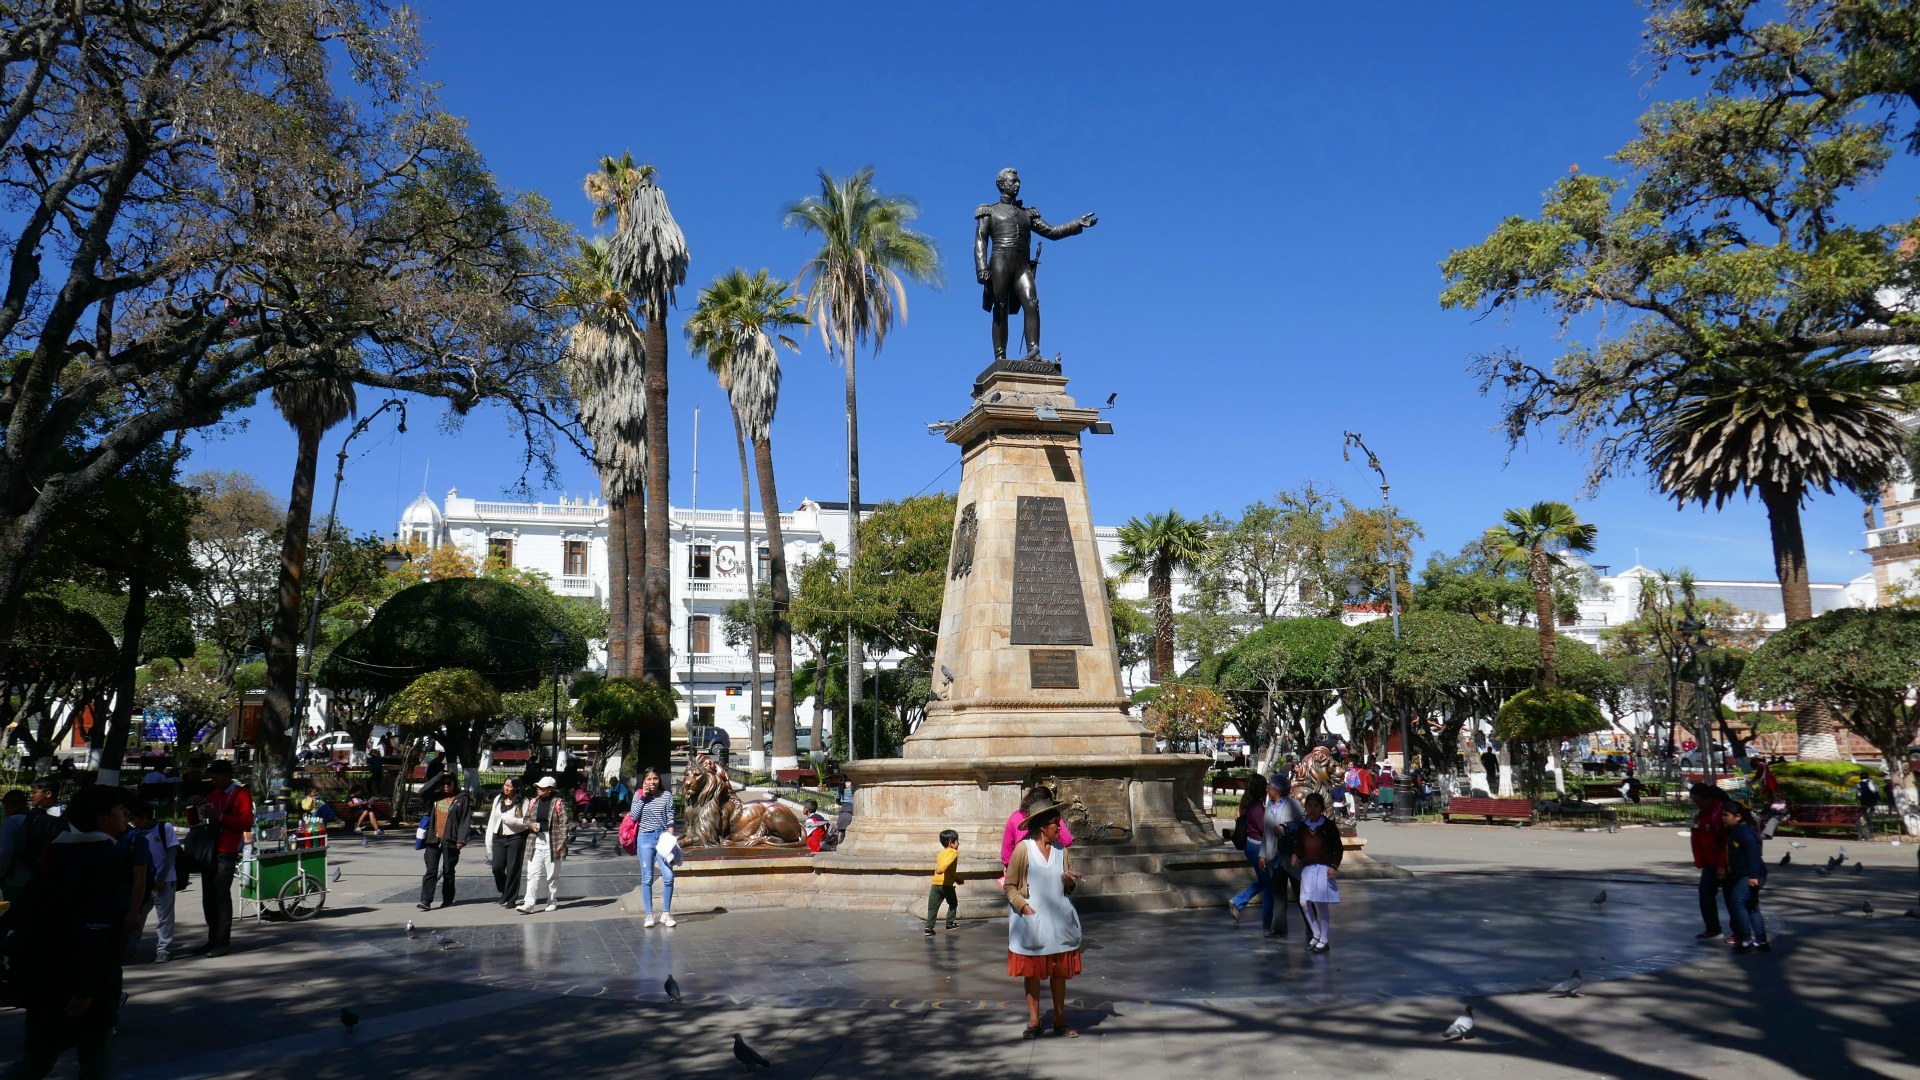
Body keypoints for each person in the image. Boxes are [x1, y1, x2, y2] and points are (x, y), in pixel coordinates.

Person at [0, 785, 133, 1080]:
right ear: (102, 818)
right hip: (87, 982)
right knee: (95, 1061)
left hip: (44, 975)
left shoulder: (55, 851)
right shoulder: (107, 858)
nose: (124, 814)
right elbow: (97, 926)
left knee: (37, 1058)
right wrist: (86, 988)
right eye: (118, 809)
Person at [973, 167, 1097, 361]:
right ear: (1001, 184)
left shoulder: (1027, 214)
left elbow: (1052, 232)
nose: (1017, 184)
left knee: (1032, 303)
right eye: (1012, 181)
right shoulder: (989, 211)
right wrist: (981, 268)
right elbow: (981, 240)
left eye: (1018, 181)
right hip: (1000, 263)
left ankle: (1033, 351)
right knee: (1001, 307)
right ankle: (1000, 357)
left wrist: (1076, 224)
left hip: (1022, 266)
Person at [1003, 798, 1083, 1039]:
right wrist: (1025, 908)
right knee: (1033, 973)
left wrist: (1070, 882)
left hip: (1059, 921)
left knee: (1059, 974)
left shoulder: (1062, 850)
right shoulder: (1023, 850)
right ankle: (1034, 1021)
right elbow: (1010, 886)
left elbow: (1068, 888)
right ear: (1042, 827)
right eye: (1056, 824)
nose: (1060, 828)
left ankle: (1060, 1020)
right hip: (1033, 920)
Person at [187, 759, 252, 957]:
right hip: (210, 851)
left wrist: (220, 818)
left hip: (226, 851)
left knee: (221, 897)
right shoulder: (213, 795)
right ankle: (212, 939)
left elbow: (247, 822)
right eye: (212, 778)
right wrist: (192, 805)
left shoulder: (242, 794)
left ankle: (222, 942)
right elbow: (194, 820)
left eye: (216, 778)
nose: (213, 782)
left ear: (227, 776)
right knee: (209, 898)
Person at [126, 801, 177, 964]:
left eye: (135, 818)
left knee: (165, 917)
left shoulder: (164, 828)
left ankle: (163, 949)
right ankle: (129, 949)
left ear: (145, 817)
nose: (133, 822)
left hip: (165, 880)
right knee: (137, 916)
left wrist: (161, 877)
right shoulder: (135, 833)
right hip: (144, 882)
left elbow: (171, 854)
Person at [1292, 792, 1342, 953]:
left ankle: (1324, 939)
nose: (1312, 809)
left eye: (1315, 806)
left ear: (1321, 808)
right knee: (1304, 902)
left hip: (1323, 869)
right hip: (1308, 869)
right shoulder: (1303, 826)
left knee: (1322, 904)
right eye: (1309, 806)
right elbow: (1299, 845)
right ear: (1305, 808)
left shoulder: (1328, 826)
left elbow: (1338, 849)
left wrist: (1333, 866)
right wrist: (1295, 854)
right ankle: (1316, 934)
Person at [1258, 773, 1305, 938]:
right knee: (1278, 895)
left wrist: (1285, 828)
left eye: (1270, 786)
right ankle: (1278, 928)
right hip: (1274, 857)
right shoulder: (1269, 806)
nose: (1268, 789)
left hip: (1290, 856)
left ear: (1277, 788)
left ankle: (1311, 926)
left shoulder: (1293, 804)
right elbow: (1266, 832)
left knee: (1301, 894)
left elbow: (1302, 824)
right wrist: (1263, 854)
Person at [1720, 799, 1770, 953]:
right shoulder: (1735, 831)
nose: (1723, 818)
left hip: (1749, 875)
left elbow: (1754, 855)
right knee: (1752, 906)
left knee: (1737, 904)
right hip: (1745, 875)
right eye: (1722, 815)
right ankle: (1761, 942)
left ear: (1737, 817)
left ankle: (1745, 940)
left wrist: (1753, 876)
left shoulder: (1744, 832)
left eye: (1726, 815)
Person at [623, 770, 673, 926]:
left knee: (669, 876)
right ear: (644, 781)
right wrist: (643, 797)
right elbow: (634, 816)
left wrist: (670, 839)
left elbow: (670, 819)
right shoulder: (639, 796)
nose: (652, 782)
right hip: (645, 838)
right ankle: (649, 915)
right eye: (649, 779)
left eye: (655, 778)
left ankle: (666, 913)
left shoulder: (666, 796)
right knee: (647, 878)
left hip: (662, 838)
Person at [516, 776, 570, 914]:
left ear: (550, 790)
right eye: (538, 787)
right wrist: (530, 824)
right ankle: (529, 903)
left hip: (552, 840)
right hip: (536, 840)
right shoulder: (534, 802)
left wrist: (562, 841)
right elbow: (526, 818)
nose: (538, 789)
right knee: (532, 873)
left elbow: (564, 823)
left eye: (542, 787)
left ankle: (552, 901)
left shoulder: (557, 803)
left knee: (551, 875)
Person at [1689, 783, 1734, 943]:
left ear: (1709, 798)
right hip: (1709, 862)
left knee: (1731, 897)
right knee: (1705, 894)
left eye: (1699, 801)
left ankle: (1738, 930)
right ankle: (1713, 929)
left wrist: (1722, 864)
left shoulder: (1719, 813)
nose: (1696, 804)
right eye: (1694, 801)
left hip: (1725, 863)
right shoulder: (1704, 812)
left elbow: (1725, 842)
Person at [416, 775, 469, 912]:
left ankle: (448, 898)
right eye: (443, 784)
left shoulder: (462, 798)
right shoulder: (435, 797)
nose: (446, 786)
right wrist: (438, 777)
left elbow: (464, 820)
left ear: (454, 784)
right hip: (433, 839)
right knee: (431, 871)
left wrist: (461, 839)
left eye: (448, 783)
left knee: (448, 871)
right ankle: (426, 900)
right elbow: (422, 792)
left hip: (451, 841)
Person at [999, 786, 1075, 872]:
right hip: (1041, 864)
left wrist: (1009, 865)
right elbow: (1067, 840)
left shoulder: (1014, 817)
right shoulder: (1050, 819)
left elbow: (1007, 851)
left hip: (1020, 866)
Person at [1226, 775, 1268, 924]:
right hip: (1257, 847)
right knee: (1268, 883)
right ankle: (1268, 920)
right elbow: (1264, 829)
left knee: (1265, 881)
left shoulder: (1249, 804)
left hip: (1251, 846)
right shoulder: (1256, 808)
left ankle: (1239, 902)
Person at [484, 777, 529, 908]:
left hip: (516, 837)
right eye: (505, 785)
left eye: (510, 786)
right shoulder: (499, 799)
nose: (507, 788)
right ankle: (505, 890)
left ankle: (511, 898)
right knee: (496, 867)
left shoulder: (523, 801)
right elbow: (492, 820)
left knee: (513, 868)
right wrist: (489, 844)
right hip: (498, 837)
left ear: (516, 787)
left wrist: (510, 820)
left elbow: (525, 822)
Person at [926, 829, 962, 937]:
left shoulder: (941, 853)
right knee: (953, 903)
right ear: (951, 843)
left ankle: (929, 927)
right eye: (957, 841)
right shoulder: (953, 852)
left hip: (935, 884)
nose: (958, 843)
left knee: (932, 906)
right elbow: (946, 864)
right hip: (946, 885)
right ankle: (949, 923)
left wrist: (957, 879)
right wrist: (941, 869)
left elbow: (949, 870)